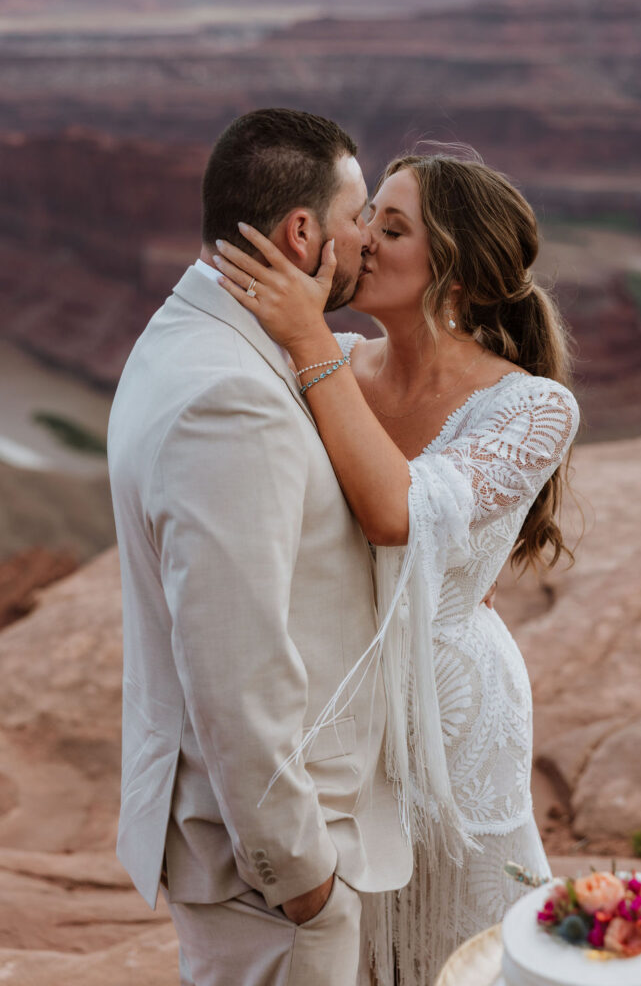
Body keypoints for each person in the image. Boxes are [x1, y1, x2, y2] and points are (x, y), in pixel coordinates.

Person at [211, 150, 581, 985]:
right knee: (349, 947)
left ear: (459, 272)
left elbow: (397, 517)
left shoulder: (530, 406)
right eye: (367, 214)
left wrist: (306, 336)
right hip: (333, 706)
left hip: (456, 718)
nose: (364, 240)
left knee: (475, 947)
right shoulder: (328, 361)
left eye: (393, 225)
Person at [107, 108, 414, 986]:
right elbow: (233, 673)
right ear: (303, 230)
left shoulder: (188, 330)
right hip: (268, 881)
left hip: (250, 864)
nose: (366, 241)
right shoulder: (228, 400)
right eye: (360, 218)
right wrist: (305, 882)